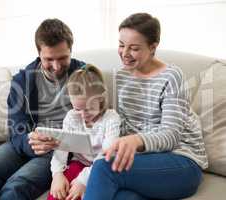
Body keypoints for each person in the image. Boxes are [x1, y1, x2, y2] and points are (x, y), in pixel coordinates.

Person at [83, 13, 208, 200]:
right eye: (121, 45)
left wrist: (136, 140)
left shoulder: (171, 76)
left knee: (104, 169)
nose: (125, 53)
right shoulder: (122, 76)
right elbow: (123, 125)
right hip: (145, 163)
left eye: (133, 48)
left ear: (152, 47)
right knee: (121, 196)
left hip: (182, 162)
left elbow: (171, 135)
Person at [0, 18, 85, 200]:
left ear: (71, 51)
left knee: (17, 185)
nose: (56, 66)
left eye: (62, 58)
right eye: (49, 59)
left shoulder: (85, 76)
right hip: (27, 143)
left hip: (59, 150)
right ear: (38, 54)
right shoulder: (23, 80)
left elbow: (96, 121)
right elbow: (16, 127)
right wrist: (31, 142)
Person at [46, 64, 121, 200]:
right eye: (77, 108)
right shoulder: (71, 117)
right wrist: (57, 174)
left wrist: (83, 180)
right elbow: (61, 149)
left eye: (88, 108)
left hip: (102, 167)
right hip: (78, 163)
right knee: (56, 194)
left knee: (84, 195)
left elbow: (107, 154)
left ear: (101, 98)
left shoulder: (111, 118)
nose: (83, 114)